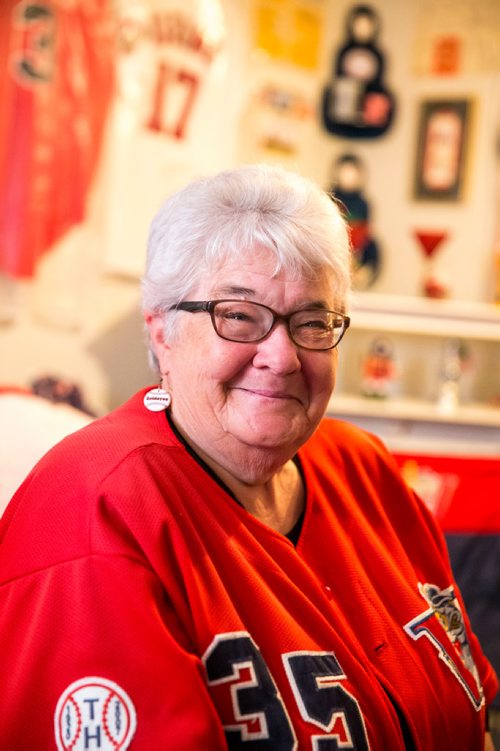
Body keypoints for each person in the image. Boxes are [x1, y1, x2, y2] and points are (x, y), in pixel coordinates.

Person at [0, 164, 496, 750]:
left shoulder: (365, 468)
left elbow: (477, 714)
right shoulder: (94, 512)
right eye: (238, 316)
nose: (282, 357)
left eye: (313, 321)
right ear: (162, 332)